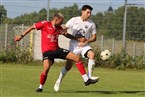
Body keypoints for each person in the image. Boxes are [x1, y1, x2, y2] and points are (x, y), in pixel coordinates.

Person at [14, 12, 98, 92]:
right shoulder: (45, 24)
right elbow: (32, 27)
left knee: (76, 58)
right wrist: (21, 36)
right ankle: (40, 87)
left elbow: (67, 35)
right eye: (61, 21)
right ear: (56, 19)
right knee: (46, 69)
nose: (62, 23)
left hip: (57, 50)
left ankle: (86, 79)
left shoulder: (59, 28)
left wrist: (78, 39)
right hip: (47, 52)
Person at [54, 5, 99, 92]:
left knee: (92, 54)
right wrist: (64, 31)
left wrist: (86, 41)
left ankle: (89, 77)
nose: (89, 14)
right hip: (74, 47)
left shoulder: (91, 24)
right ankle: (59, 80)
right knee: (68, 66)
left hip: (85, 46)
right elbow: (64, 28)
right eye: (87, 12)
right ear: (82, 11)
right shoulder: (74, 20)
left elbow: (94, 37)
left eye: (90, 13)